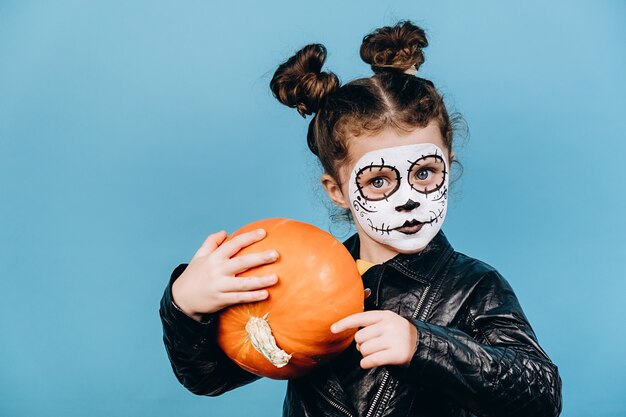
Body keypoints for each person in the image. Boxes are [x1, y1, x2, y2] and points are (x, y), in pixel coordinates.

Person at [159, 20, 562, 417]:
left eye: (424, 172)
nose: (407, 200)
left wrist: (424, 347)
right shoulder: (292, 273)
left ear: (448, 166)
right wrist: (186, 307)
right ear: (337, 191)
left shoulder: (472, 286)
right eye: (379, 180)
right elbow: (210, 378)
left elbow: (541, 395)